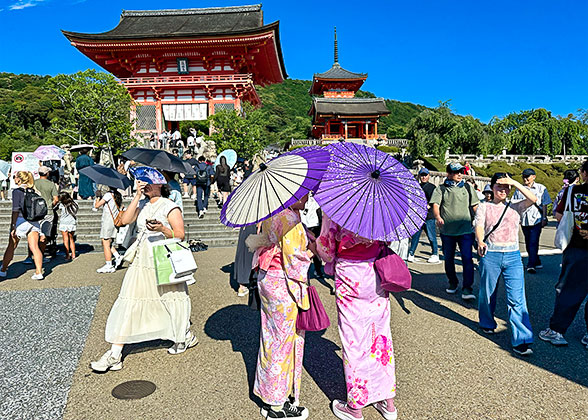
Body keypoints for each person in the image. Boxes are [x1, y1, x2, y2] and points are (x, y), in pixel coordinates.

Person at [90, 173, 195, 372]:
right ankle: (115, 353)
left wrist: (162, 228)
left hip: (163, 259)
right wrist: (137, 196)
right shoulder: (143, 205)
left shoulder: (169, 205)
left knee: (170, 298)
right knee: (129, 301)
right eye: (142, 182)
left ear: (160, 183)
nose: (144, 185)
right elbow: (122, 221)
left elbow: (180, 234)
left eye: (148, 182)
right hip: (141, 259)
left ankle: (184, 336)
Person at [316, 216, 398, 420]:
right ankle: (386, 401)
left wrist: (312, 242)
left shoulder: (338, 205)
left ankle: (355, 406)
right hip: (375, 271)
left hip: (350, 272)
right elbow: (388, 239)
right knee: (380, 335)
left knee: (354, 338)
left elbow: (326, 249)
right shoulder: (379, 202)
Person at [248, 197, 311, 419]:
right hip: (282, 280)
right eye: (305, 193)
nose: (308, 197)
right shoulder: (289, 217)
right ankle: (277, 404)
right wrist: (310, 251)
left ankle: (267, 395)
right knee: (283, 341)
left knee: (270, 337)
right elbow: (294, 258)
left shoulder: (272, 212)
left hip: (267, 277)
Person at [475, 173, 537, 356]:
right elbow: (479, 225)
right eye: (499, 186)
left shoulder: (516, 206)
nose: (503, 190)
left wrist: (515, 183)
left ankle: (522, 339)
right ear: (491, 188)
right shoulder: (484, 207)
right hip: (490, 253)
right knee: (487, 293)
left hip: (512, 255)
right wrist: (479, 241)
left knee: (517, 298)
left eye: (506, 187)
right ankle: (486, 322)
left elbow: (533, 198)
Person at [539, 160, 588, 348]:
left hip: (577, 247)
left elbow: (559, 216)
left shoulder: (572, 192)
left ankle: (557, 331)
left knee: (569, 290)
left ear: (583, 173)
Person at [430, 162, 479, 300]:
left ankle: (467, 288)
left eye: (460, 171)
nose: (459, 174)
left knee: (467, 259)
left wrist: (482, 220)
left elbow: (475, 206)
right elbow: (435, 204)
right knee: (449, 259)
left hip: (465, 230)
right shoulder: (441, 189)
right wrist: (438, 217)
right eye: (456, 172)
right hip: (447, 231)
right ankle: (453, 282)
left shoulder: (468, 188)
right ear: (449, 174)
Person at [0, 171, 44, 280]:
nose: (14, 179)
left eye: (15, 177)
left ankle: (3, 270)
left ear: (19, 179)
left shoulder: (17, 191)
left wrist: (13, 225)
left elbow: (15, 209)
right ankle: (39, 272)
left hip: (21, 220)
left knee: (11, 247)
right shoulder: (34, 190)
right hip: (34, 221)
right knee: (34, 247)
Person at [512, 168, 552, 274]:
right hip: (524, 219)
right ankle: (536, 260)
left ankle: (531, 264)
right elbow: (515, 204)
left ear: (533, 177)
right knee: (528, 241)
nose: (525, 179)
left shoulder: (541, 188)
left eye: (527, 176)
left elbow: (544, 204)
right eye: (524, 176)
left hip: (536, 219)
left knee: (534, 241)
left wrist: (544, 217)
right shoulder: (519, 189)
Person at [408, 168, 439, 264]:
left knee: (431, 236)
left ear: (429, 176)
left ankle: (435, 253)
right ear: (419, 176)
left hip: (429, 216)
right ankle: (411, 253)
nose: (424, 177)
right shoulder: (416, 187)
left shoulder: (432, 187)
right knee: (415, 236)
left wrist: (427, 206)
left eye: (425, 175)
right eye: (422, 175)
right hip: (418, 216)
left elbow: (434, 201)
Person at [94, 188, 123, 274]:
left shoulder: (108, 195)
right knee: (108, 242)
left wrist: (98, 197)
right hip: (114, 220)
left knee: (105, 241)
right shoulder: (117, 195)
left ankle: (109, 265)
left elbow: (96, 206)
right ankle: (117, 256)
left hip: (107, 221)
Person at [33, 166, 58, 260]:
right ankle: (41, 255)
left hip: (34, 211)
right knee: (44, 235)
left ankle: (31, 255)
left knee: (33, 234)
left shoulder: (34, 183)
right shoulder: (51, 184)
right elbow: (56, 199)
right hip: (48, 211)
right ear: (47, 173)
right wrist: (51, 204)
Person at [234, 224, 257, 297]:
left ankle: (242, 285)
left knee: (243, 254)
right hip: (255, 227)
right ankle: (251, 282)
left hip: (245, 226)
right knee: (252, 254)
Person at [57, 192, 78, 260]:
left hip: (64, 223)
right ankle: (73, 254)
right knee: (71, 239)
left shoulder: (61, 205)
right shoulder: (74, 204)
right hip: (72, 222)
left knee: (65, 240)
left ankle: (67, 255)